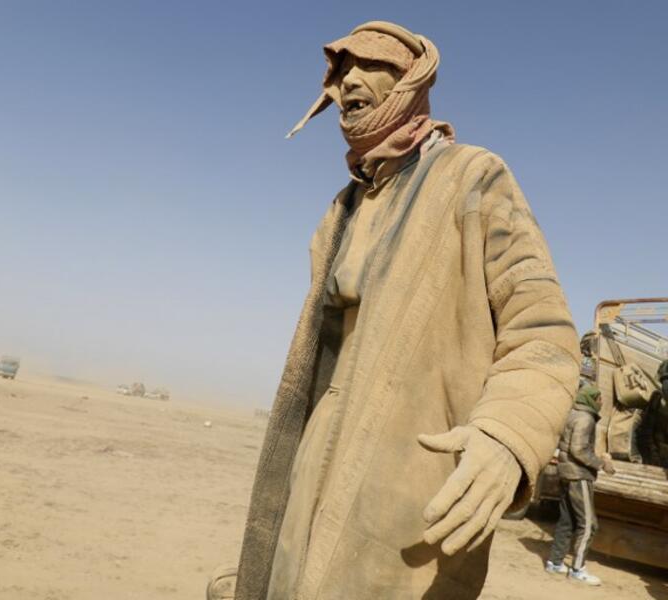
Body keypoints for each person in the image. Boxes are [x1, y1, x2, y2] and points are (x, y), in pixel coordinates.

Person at [232, 21, 580, 600]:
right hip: (313, 467)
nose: (350, 82)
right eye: (340, 72)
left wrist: (507, 435)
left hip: (414, 492)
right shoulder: (340, 211)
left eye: (372, 66)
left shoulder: (473, 177)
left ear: (412, 79)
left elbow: (542, 333)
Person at [546, 385, 615, 585]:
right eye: (599, 399)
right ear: (591, 399)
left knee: (566, 521)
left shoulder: (573, 414)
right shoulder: (585, 418)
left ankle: (555, 563)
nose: (601, 402)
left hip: (566, 473)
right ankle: (577, 569)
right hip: (579, 476)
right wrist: (601, 463)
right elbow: (578, 450)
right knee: (589, 525)